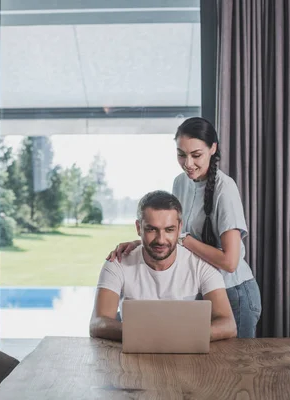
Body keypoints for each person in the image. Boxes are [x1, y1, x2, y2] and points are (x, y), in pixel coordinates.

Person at [106, 117, 262, 338]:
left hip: (233, 294)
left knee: (234, 369)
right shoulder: (180, 182)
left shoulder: (225, 189)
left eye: (196, 155)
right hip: (202, 291)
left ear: (213, 148)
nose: (188, 163)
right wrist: (139, 242)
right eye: (181, 154)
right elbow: (170, 230)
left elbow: (230, 262)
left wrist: (184, 239)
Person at [90, 191, 237, 342]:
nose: (161, 240)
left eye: (169, 230)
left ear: (180, 228)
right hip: (134, 355)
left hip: (184, 353)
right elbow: (98, 323)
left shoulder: (201, 265)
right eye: (151, 229)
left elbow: (228, 324)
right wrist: (145, 334)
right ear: (138, 227)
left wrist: (179, 335)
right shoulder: (117, 263)